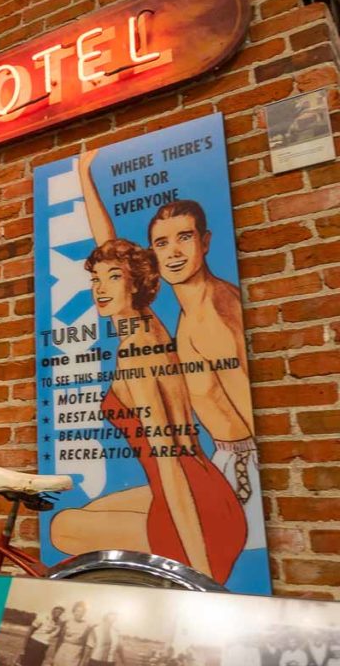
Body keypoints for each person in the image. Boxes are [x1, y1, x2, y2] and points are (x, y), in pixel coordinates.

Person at [78, 149, 262, 552]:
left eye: (185, 237)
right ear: (152, 260)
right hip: (214, 470)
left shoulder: (209, 318)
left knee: (71, 528)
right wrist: (83, 174)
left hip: (240, 480)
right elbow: (109, 255)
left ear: (206, 241)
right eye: (162, 243)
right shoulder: (155, 315)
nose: (174, 251)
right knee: (79, 519)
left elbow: (254, 414)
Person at [49, 238, 245, 582]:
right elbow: (107, 240)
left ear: (136, 283)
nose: (100, 288)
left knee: (60, 527)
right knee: (89, 511)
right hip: (216, 498)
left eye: (114, 277)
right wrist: (84, 180)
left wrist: (200, 573)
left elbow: (168, 462)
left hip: (195, 515)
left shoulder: (134, 354)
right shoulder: (151, 326)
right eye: (95, 278)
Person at [52, 601, 93, 666]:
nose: (79, 614)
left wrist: (83, 661)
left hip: (75, 652)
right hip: (63, 649)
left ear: (84, 613)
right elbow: (59, 639)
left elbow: (88, 646)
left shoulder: (87, 626)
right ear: (73, 611)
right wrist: (54, 655)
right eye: (77, 611)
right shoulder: (67, 622)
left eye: (82, 612)